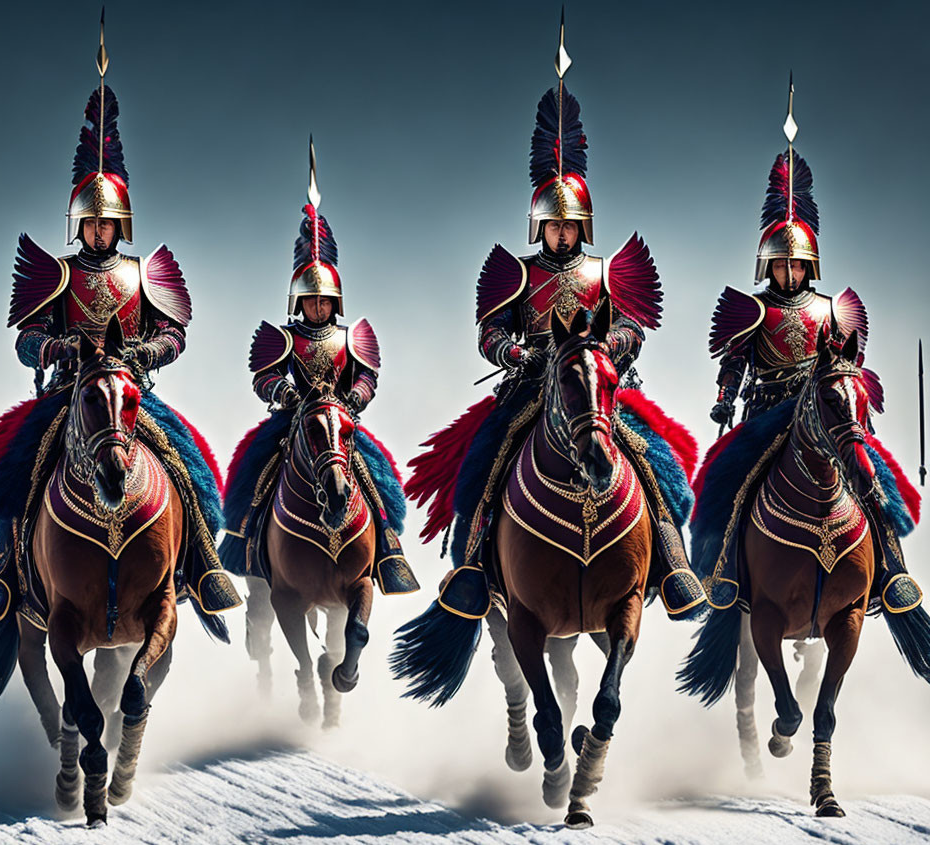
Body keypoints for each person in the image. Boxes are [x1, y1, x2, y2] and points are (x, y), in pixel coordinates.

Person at [0, 30, 238, 630]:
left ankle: (204, 564)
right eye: (93, 223)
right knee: (15, 478)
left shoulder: (142, 274)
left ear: (121, 226)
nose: (100, 232)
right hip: (66, 394)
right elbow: (26, 336)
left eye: (109, 224)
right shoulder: (57, 275)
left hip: (130, 394)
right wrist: (55, 345)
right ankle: (1, 578)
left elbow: (175, 336)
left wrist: (143, 349)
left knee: (188, 470)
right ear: (80, 225)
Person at [406, 49, 704, 623]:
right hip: (531, 391)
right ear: (539, 225)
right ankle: (470, 568)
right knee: (482, 467)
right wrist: (512, 350)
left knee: (655, 463)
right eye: (554, 224)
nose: (562, 233)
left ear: (582, 226)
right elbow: (489, 331)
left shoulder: (606, 272)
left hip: (597, 390)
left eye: (570, 225)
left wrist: (612, 346)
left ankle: (672, 563)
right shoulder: (517, 273)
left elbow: (634, 327)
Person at [693, 85, 920, 614]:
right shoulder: (753, 311)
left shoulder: (834, 308)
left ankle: (891, 572)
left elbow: (850, 367)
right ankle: (721, 573)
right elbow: (732, 363)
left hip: (827, 412)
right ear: (766, 267)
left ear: (809, 267)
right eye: (781, 264)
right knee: (728, 483)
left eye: (797, 265)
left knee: (874, 482)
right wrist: (726, 398)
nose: (790, 272)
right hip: (769, 415)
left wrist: (852, 405)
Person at [220, 139, 416, 595]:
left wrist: (357, 397)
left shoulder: (351, 338)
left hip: (340, 420)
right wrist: (284, 394)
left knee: (371, 475)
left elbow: (367, 376)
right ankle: (244, 542)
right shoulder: (285, 338)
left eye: (324, 298)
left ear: (336, 300)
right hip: (292, 422)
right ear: (298, 300)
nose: (318, 305)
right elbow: (264, 376)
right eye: (310, 298)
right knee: (255, 471)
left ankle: (387, 551)